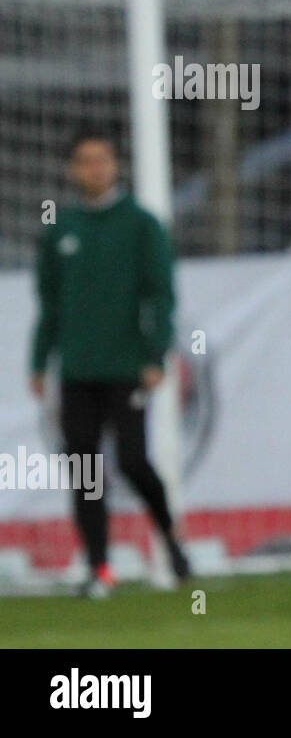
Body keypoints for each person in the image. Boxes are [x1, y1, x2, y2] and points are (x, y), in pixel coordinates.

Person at [29, 127, 190, 598]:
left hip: (128, 368)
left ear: (115, 165)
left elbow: (161, 294)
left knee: (134, 461)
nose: (94, 168)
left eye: (102, 159)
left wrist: (155, 352)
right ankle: (99, 569)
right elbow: (49, 304)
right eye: (84, 160)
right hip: (77, 371)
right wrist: (40, 363)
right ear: (71, 169)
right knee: (85, 470)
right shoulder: (59, 229)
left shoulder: (141, 224)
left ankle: (171, 540)